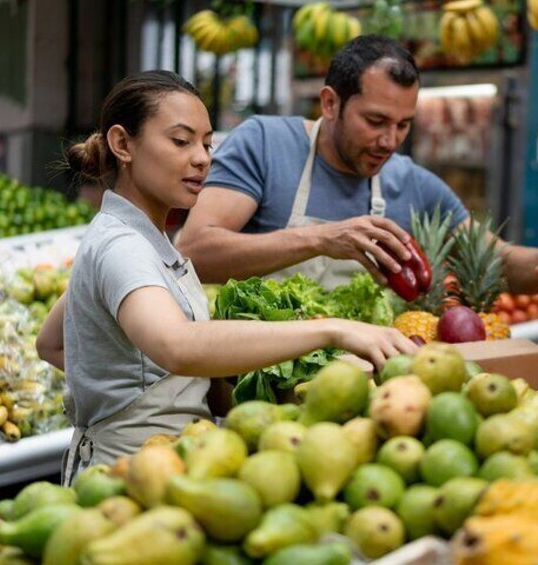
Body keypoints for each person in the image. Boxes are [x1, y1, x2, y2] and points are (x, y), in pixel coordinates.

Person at [35, 70, 415, 485]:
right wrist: (332, 331)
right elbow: (178, 347)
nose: (202, 158)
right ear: (123, 144)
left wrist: (133, 387)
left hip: (174, 464)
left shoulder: (142, 240)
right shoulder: (122, 247)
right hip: (127, 478)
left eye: (207, 143)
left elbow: (52, 341)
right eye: (181, 141)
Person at [176, 35, 538, 294]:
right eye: (375, 122)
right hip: (255, 387)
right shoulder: (266, 143)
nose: (390, 141)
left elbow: (503, 262)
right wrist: (322, 240)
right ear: (330, 103)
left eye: (403, 124)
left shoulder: (414, 185)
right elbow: (196, 252)